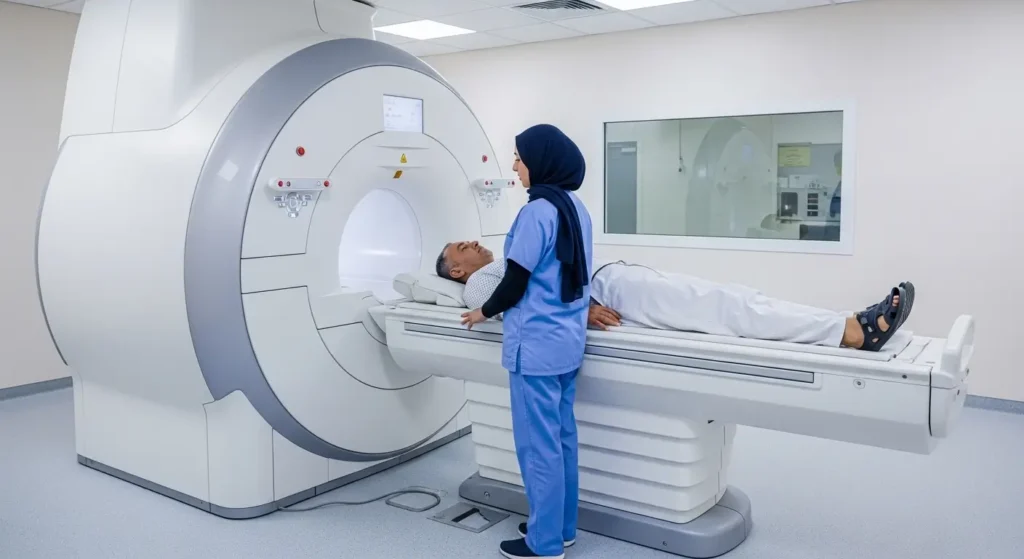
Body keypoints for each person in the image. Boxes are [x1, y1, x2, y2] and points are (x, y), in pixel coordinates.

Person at [460, 124, 593, 559]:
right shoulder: (576, 207)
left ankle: (544, 543)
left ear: (541, 161)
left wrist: (482, 311)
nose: (515, 166)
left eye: (518, 158)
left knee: (539, 448)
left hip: (535, 345)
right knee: (562, 439)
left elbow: (516, 279)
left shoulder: (537, 212)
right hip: (567, 343)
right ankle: (561, 526)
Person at [437, 242, 915, 352]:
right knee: (730, 306)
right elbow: (516, 303)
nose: (473, 243)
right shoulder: (480, 285)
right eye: (461, 246)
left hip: (612, 278)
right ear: (456, 271)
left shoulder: (501, 261)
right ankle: (853, 330)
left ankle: (846, 321)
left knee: (729, 300)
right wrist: (580, 310)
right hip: (605, 290)